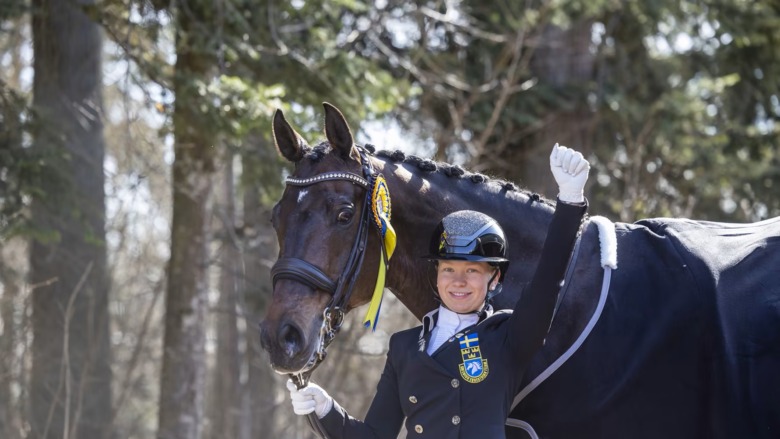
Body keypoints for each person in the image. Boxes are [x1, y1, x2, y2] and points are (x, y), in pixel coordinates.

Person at [287, 144, 590, 438]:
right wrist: (326, 410)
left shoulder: (509, 337)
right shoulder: (404, 347)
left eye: (472, 271)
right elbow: (376, 434)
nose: (458, 281)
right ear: (436, 275)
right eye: (448, 270)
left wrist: (570, 203)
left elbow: (548, 279)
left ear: (494, 278)